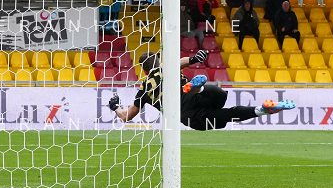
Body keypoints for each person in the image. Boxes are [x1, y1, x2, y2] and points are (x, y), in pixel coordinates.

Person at [109, 51, 295, 131]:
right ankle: (200, 88)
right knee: (221, 98)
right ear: (159, 61)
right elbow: (181, 61)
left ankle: (261, 110)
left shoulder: (144, 89)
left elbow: (127, 117)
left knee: (227, 116)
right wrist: (194, 58)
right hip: (192, 96)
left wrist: (116, 107)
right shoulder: (166, 67)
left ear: (143, 71)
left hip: (185, 114)